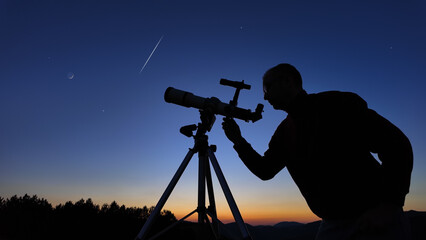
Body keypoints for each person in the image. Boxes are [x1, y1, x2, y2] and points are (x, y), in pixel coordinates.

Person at [222, 63, 413, 240]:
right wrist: (239, 141)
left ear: (288, 81)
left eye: (267, 88)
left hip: (376, 218)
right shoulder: (283, 132)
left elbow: (396, 145)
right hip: (332, 224)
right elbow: (265, 170)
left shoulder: (336, 105)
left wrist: (390, 204)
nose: (265, 96)